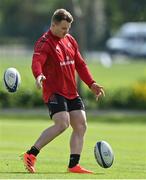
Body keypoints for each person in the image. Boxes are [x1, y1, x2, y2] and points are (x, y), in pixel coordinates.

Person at [22, 8, 105, 174]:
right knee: (62, 124)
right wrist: (38, 75)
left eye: (68, 28)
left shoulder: (70, 40)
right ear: (53, 25)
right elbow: (37, 61)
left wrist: (91, 83)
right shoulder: (45, 42)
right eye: (63, 28)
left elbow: (80, 65)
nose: (66, 31)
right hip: (54, 91)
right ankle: (31, 154)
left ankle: (73, 165)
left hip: (71, 91)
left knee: (81, 124)